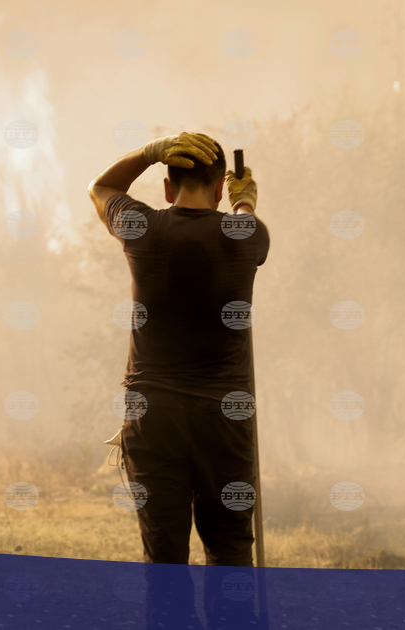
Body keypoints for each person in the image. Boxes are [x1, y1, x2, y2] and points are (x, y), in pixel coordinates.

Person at [88, 131, 269, 629]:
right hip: (225, 421)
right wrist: (246, 201)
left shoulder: (142, 227)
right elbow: (245, 222)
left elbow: (100, 188)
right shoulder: (246, 234)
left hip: (153, 418)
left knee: (164, 558)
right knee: (230, 549)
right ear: (220, 189)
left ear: (167, 187)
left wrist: (149, 152)